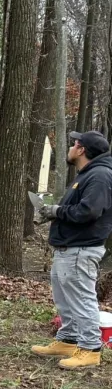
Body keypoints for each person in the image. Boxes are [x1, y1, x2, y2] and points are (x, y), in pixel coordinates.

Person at [30, 130, 112, 369]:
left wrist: (56, 211)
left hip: (81, 249)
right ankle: (68, 340)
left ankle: (89, 349)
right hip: (69, 248)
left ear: (81, 149)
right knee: (64, 298)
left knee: (82, 299)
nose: (70, 148)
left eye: (74, 144)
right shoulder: (87, 175)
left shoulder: (99, 176)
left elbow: (89, 212)